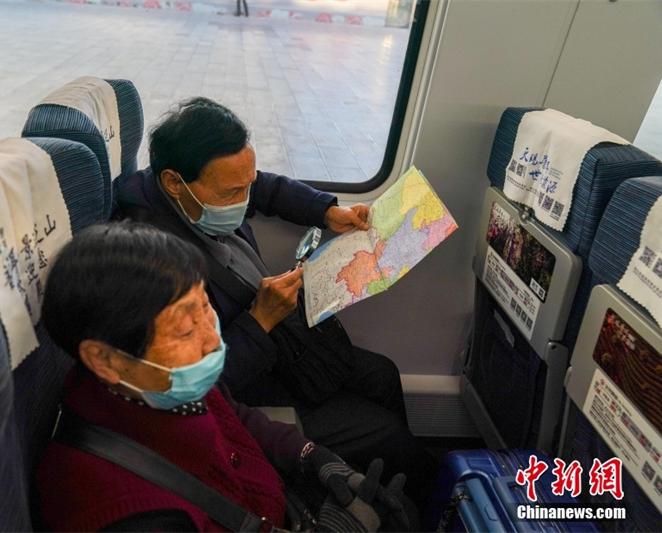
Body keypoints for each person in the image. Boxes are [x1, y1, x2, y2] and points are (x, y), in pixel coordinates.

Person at [112, 97, 439, 512]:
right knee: (386, 435)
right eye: (234, 191)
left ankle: (401, 496)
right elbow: (200, 388)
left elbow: (264, 186)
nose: (245, 198)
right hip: (251, 385)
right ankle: (423, 507)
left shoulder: (190, 193)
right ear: (175, 182)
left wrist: (326, 211)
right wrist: (259, 321)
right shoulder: (158, 265)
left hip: (283, 348)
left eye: (245, 185)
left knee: (384, 375)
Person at [36, 221, 416, 531]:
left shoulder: (157, 383)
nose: (210, 338)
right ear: (105, 359)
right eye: (185, 330)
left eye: (205, 308)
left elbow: (234, 416)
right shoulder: (124, 511)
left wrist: (310, 456)